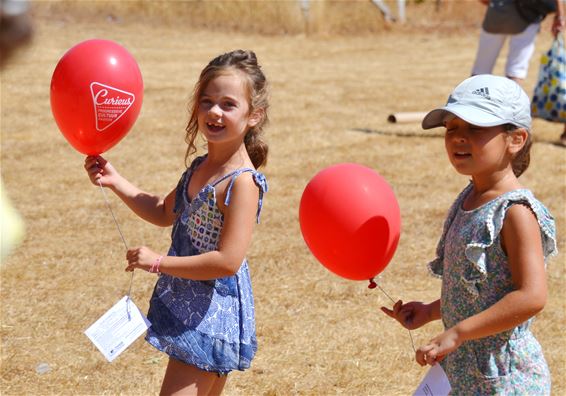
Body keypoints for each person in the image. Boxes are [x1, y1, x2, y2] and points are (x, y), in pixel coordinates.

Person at [84, 49, 269, 395]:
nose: (214, 111)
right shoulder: (201, 166)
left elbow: (228, 261)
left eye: (228, 104)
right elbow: (163, 210)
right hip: (187, 304)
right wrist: (115, 180)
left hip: (212, 317)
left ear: (254, 115)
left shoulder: (241, 183)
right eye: (206, 101)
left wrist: (158, 262)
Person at [381, 74, 557, 394]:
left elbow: (531, 296)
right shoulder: (469, 198)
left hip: (503, 376)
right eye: (451, 128)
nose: (458, 137)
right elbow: (476, 290)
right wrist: (431, 311)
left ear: (515, 139)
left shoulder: (515, 212)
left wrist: (458, 332)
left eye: (475, 128)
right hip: (464, 368)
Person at [471, 0, 565, 83]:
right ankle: (511, 101)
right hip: (527, 18)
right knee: (515, 71)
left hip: (497, 14)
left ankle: (473, 100)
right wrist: (560, 16)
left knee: (480, 71)